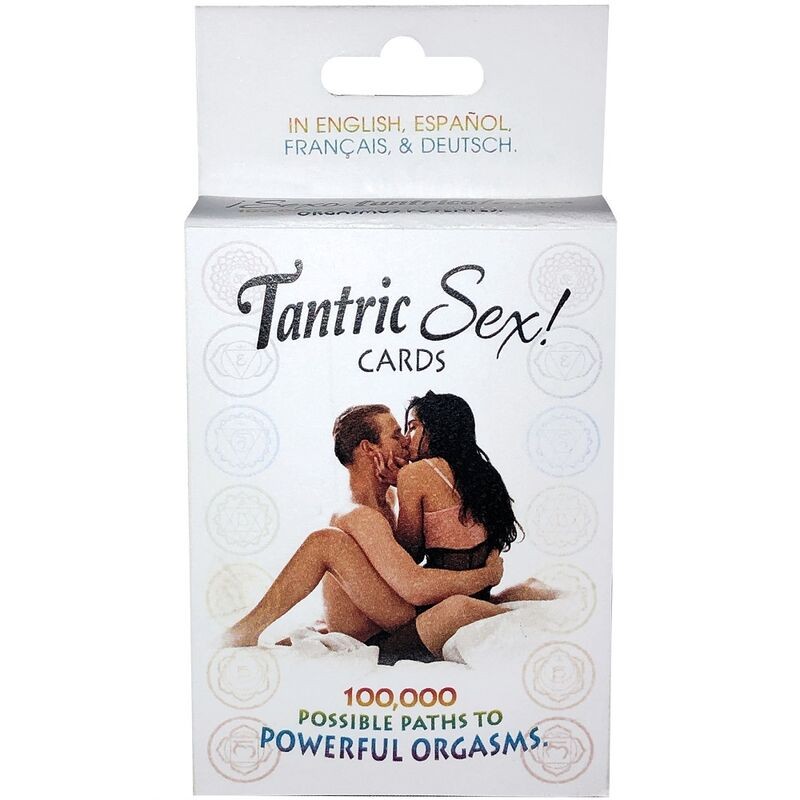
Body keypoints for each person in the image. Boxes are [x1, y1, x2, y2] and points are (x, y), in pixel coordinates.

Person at [225, 404, 508, 663]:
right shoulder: (357, 515)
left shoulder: (393, 501)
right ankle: (247, 629)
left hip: (393, 618)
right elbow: (414, 585)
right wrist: (486, 575)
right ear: (369, 448)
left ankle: (249, 628)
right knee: (325, 542)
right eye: (396, 435)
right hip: (380, 630)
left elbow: (405, 563)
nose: (405, 441)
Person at [391, 391, 559, 604]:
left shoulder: (414, 474)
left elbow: (409, 555)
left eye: (412, 427)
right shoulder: (482, 472)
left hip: (444, 600)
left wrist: (393, 492)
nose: (406, 439)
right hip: (481, 594)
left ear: (437, 427)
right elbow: (499, 534)